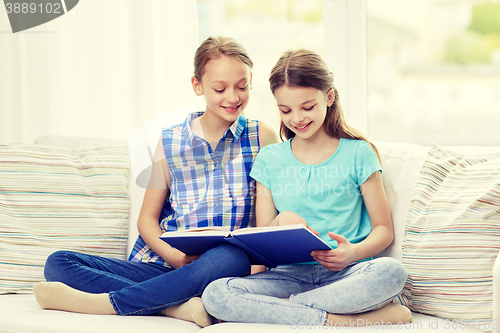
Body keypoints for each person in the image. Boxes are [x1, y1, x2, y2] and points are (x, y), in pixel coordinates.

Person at [32, 36, 278, 327]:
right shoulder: (171, 140)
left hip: (223, 268)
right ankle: (173, 306)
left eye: (242, 86)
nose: (233, 97)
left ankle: (109, 304)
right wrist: (175, 258)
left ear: (251, 80)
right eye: (220, 88)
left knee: (229, 256)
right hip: (169, 265)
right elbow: (147, 219)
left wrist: (257, 274)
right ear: (197, 86)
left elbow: (265, 228)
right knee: (58, 263)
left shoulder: (261, 135)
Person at [202, 49, 412, 327]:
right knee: (217, 294)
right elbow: (263, 243)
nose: (297, 119)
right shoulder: (270, 159)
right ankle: (339, 320)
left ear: (329, 96)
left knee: (392, 272)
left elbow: (383, 229)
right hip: (289, 276)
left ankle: (291, 311)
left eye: (308, 107)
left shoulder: (359, 153)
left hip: (346, 274)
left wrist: (351, 253)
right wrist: (282, 222)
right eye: (285, 110)